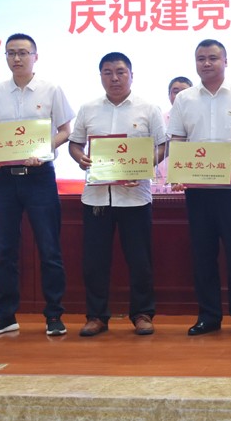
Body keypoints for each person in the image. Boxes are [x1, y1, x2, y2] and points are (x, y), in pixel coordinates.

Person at [0, 33, 75, 336]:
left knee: (49, 248)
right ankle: (6, 315)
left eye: (22, 52)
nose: (16, 58)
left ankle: (54, 315)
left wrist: (44, 150)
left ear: (35, 56)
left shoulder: (51, 89)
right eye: (11, 53)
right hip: (4, 180)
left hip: (39, 177)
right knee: (5, 250)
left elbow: (65, 130)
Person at [167, 39, 231, 336]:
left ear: (225, 61)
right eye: (201, 59)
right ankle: (208, 316)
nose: (206, 63)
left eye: (212, 58)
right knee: (203, 252)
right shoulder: (184, 99)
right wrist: (178, 172)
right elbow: (177, 139)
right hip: (197, 187)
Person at [68, 52, 166, 337]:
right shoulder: (88, 109)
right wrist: (80, 158)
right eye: (108, 72)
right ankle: (96, 316)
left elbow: (163, 146)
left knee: (140, 260)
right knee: (94, 261)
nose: (114, 78)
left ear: (131, 75)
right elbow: (75, 144)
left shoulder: (149, 109)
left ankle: (143, 314)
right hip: (97, 198)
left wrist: (145, 165)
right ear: (100, 76)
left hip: (135, 197)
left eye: (120, 72)